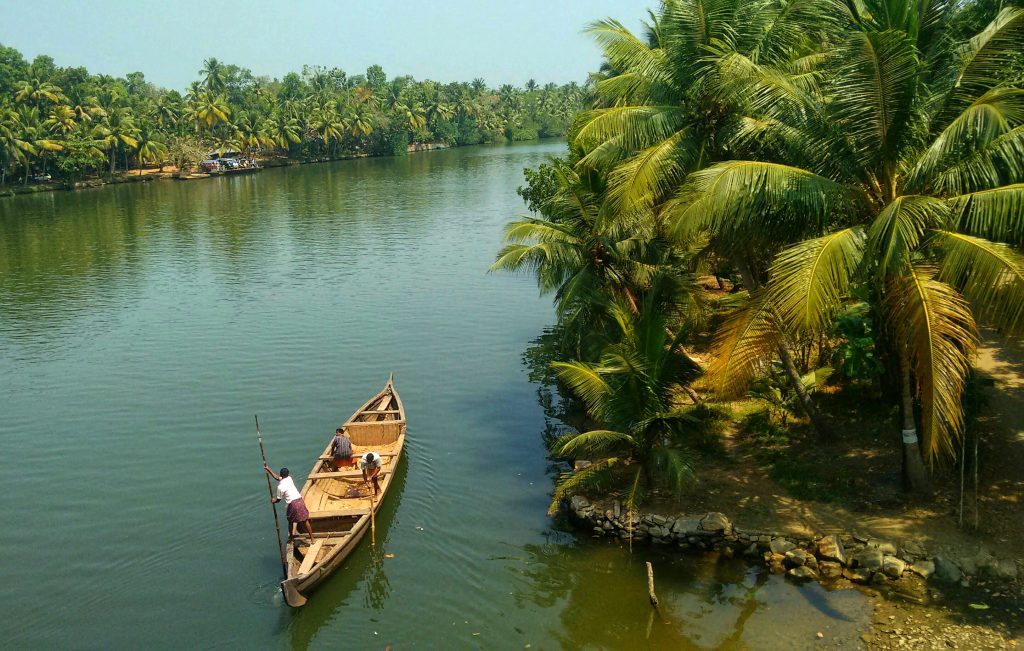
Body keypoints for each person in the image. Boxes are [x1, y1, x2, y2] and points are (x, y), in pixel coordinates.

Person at [264, 465, 314, 544]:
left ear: (281, 475)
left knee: (290, 521)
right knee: (305, 521)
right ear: (288, 474)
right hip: (300, 500)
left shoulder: (280, 487)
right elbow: (277, 478)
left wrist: (274, 501)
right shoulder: (289, 478)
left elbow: (279, 500)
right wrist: (269, 469)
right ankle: (312, 539)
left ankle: (291, 538)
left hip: (293, 504)